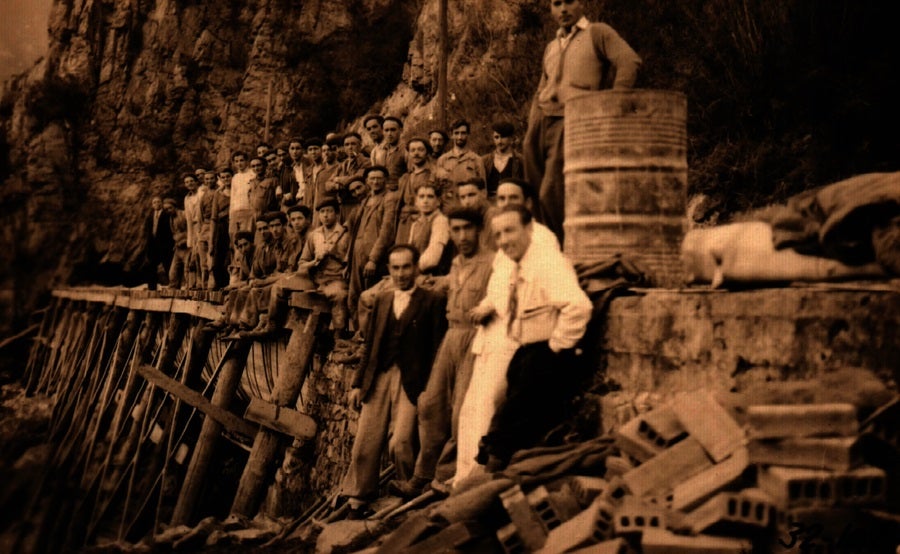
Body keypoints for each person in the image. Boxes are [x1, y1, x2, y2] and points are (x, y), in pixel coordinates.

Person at [474, 204, 592, 471]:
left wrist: (555, 347)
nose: (504, 241)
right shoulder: (519, 265)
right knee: (502, 419)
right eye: (499, 234)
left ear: (529, 229)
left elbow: (579, 307)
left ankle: (500, 487)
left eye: (510, 231)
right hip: (526, 353)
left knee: (514, 434)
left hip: (546, 358)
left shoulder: (547, 264)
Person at [389, 207, 495, 497]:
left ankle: (447, 477)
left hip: (477, 339)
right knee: (430, 404)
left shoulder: (493, 264)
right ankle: (423, 475)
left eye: (467, 229)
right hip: (451, 335)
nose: (461, 236)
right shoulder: (458, 263)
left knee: (462, 411)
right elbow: (449, 286)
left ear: (479, 231)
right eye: (455, 230)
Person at [339, 245, 447, 518]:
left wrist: (431, 390)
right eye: (395, 268)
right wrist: (356, 383)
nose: (401, 274)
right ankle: (359, 498)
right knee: (366, 439)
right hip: (380, 375)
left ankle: (407, 494)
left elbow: (437, 351)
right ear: (388, 270)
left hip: (412, 379)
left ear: (416, 268)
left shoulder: (431, 300)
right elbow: (369, 346)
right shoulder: (383, 300)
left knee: (400, 442)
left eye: (406, 267)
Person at [524, 0, 641, 243]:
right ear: (551, 9)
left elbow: (629, 61)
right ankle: (546, 246)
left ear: (581, 4)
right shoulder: (551, 46)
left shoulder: (597, 33)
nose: (563, 9)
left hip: (574, 119)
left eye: (569, 2)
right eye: (557, 3)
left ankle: (566, 247)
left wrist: (615, 102)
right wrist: (532, 121)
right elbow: (541, 87)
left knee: (551, 191)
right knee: (532, 192)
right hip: (543, 119)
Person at [347, 166, 400, 330]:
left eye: (379, 178)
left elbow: (386, 232)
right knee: (353, 297)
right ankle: (359, 335)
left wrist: (373, 259)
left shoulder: (389, 199)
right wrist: (349, 261)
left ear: (385, 180)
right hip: (358, 255)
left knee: (370, 300)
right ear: (367, 181)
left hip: (374, 256)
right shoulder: (365, 200)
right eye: (372, 178)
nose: (375, 182)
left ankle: (369, 339)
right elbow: (354, 233)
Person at [435, 119, 486, 209]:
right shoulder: (442, 160)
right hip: (448, 208)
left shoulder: (476, 160)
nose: (460, 137)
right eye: (456, 133)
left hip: (469, 208)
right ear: (452, 135)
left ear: (468, 135)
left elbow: (483, 190)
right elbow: (437, 189)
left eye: (463, 133)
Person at [482, 120, 524, 199]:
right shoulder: (484, 161)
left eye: (503, 137)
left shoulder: (520, 161)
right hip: (490, 202)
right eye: (496, 137)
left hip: (510, 201)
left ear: (511, 139)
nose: (499, 141)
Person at [143, 196, 174, 290]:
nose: (157, 204)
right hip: (153, 245)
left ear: (162, 203)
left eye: (159, 202)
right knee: (151, 266)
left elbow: (170, 230)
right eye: (154, 202)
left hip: (165, 245)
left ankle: (173, 286)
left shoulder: (167, 215)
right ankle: (152, 287)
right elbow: (148, 232)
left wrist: (170, 244)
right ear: (152, 205)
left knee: (168, 265)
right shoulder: (150, 217)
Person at [230, 151, 255, 236]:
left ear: (247, 161)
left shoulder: (252, 174)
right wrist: (231, 214)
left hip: (248, 210)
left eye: (241, 160)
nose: (239, 163)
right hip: (236, 211)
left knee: (246, 235)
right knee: (234, 236)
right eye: (236, 161)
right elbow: (233, 197)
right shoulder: (235, 177)